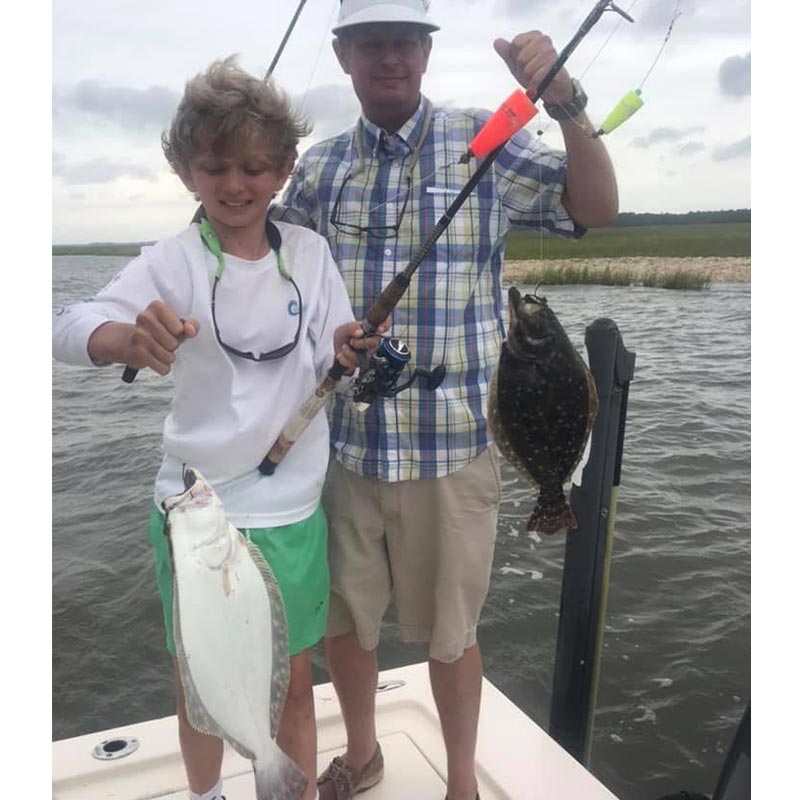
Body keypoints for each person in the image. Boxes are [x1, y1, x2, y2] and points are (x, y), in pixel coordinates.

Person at [275, 2, 619, 799]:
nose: (388, 57)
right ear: (342, 54)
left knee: (452, 636)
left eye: (403, 41)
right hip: (346, 450)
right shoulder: (319, 168)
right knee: (343, 625)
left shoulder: (488, 139)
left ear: (426, 53)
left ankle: (461, 783)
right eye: (370, 43)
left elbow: (593, 209)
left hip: (455, 446)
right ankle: (362, 755)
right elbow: (271, 267)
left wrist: (567, 104)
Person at [52, 56, 383, 800]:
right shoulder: (170, 262)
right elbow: (67, 325)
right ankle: (206, 796)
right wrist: (124, 340)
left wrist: (348, 348)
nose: (236, 184)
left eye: (256, 167)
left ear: (284, 170)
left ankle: (284, 787)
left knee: (296, 686)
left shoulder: (311, 254)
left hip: (291, 513)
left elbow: (339, 341)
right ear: (185, 170)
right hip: (195, 514)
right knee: (199, 690)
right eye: (216, 166)